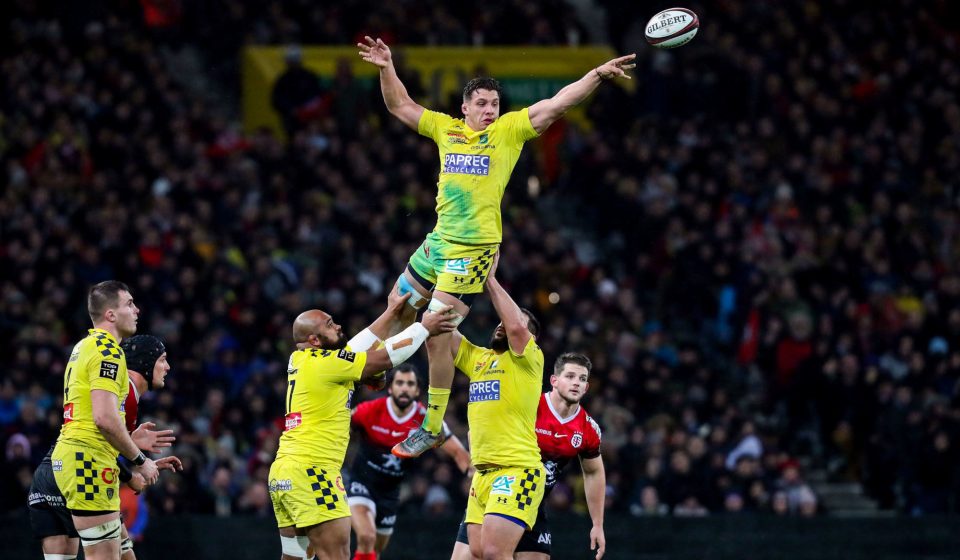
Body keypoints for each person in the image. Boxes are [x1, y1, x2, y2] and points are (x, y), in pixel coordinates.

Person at [357, 35, 635, 458]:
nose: (490, 111)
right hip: (438, 242)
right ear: (464, 107)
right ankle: (375, 367)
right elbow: (400, 106)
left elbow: (555, 104)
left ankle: (431, 425)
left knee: (437, 329)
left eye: (494, 104)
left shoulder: (507, 132)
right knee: (398, 302)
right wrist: (386, 67)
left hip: (474, 249)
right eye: (482, 104)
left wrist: (595, 75)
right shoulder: (446, 129)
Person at [268, 287, 457, 560]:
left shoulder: (302, 359)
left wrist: (390, 314)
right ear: (315, 339)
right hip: (314, 471)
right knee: (338, 555)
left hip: (284, 472)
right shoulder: (326, 364)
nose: (338, 325)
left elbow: (355, 347)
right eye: (330, 325)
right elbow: (382, 358)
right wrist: (423, 328)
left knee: (296, 557)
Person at [29, 332, 183, 560]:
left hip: (51, 471)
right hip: (78, 471)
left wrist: (131, 447)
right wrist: (136, 466)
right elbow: (97, 442)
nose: (168, 367)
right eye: (162, 359)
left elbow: (100, 442)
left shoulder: (124, 393)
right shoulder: (125, 393)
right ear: (145, 362)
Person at [432, 254, 546, 559]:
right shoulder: (480, 358)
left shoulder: (529, 359)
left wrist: (489, 280)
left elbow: (518, 329)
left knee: (496, 553)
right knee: (477, 553)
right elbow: (441, 328)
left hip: (517, 469)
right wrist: (440, 285)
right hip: (481, 475)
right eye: (500, 322)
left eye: (509, 323)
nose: (502, 325)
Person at [451, 352, 606, 560]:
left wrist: (597, 524)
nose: (576, 383)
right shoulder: (528, 406)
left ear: (587, 387)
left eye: (582, 379)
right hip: (501, 489)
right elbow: (477, 432)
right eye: (569, 376)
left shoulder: (588, 429)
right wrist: (480, 469)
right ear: (554, 380)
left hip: (532, 498)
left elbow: (594, 472)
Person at [48, 281, 160, 560]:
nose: (137, 310)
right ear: (110, 314)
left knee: (120, 554)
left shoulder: (84, 346)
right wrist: (140, 461)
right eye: (129, 304)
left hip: (83, 457)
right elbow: (104, 418)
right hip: (88, 461)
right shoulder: (107, 351)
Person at [347, 363, 472, 560]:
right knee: (366, 536)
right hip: (361, 484)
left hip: (391, 492)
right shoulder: (369, 410)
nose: (404, 387)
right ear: (390, 388)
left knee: (375, 550)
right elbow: (340, 428)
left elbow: (458, 453)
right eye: (399, 383)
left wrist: (472, 475)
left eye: (410, 384)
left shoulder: (427, 421)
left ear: (417, 390)